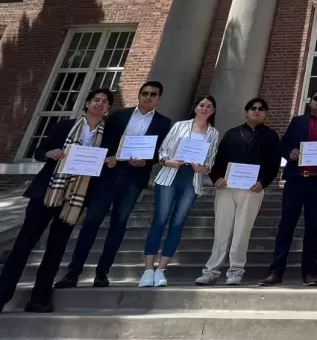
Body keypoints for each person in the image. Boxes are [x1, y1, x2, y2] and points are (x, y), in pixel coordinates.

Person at [0, 88, 112, 313]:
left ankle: (39, 298)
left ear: (108, 108)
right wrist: (49, 153)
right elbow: (39, 151)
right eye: (96, 100)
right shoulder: (65, 126)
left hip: (74, 199)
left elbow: (104, 166)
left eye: (105, 102)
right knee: (23, 245)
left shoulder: (108, 136)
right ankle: (2, 295)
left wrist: (109, 162)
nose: (100, 104)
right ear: (87, 103)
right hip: (47, 192)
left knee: (56, 249)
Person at [56, 81, 172, 289]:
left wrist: (147, 161)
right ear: (138, 94)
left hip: (134, 178)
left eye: (153, 94)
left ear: (159, 98)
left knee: (119, 224)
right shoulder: (118, 116)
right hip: (108, 174)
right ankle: (73, 272)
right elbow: (103, 141)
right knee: (91, 222)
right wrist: (106, 157)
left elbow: (161, 151)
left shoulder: (164, 123)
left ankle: (102, 272)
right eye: (144, 93)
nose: (148, 97)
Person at [259, 88, 317, 286]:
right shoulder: (297, 122)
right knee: (286, 226)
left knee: (312, 228)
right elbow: (283, 145)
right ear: (310, 102)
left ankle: (309, 273)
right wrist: (290, 152)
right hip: (296, 180)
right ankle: (276, 271)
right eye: (316, 98)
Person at [196, 97, 281, 286]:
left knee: (242, 230)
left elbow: (273, 164)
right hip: (227, 186)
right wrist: (216, 178)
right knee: (221, 229)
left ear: (265, 113)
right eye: (253, 108)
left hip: (253, 189)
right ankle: (211, 270)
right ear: (246, 112)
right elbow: (218, 159)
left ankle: (235, 270)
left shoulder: (271, 136)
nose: (256, 111)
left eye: (261, 109)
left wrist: (263, 182)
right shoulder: (232, 134)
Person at [139, 95, 220, 287]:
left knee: (177, 223)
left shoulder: (213, 133)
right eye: (201, 105)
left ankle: (161, 269)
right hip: (170, 175)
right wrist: (169, 161)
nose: (205, 108)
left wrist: (204, 168)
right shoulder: (180, 126)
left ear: (213, 111)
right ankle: (148, 269)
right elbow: (163, 151)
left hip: (191, 179)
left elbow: (211, 160)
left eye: (209, 106)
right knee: (160, 220)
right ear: (195, 107)